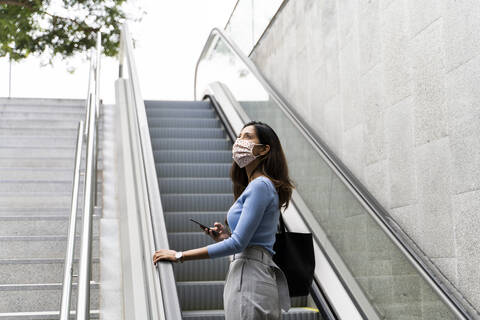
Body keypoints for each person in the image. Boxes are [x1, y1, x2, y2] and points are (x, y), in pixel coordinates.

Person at [152, 120, 296, 319]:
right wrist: (224, 238)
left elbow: (238, 243)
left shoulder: (260, 185)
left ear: (263, 150)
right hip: (253, 273)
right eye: (239, 136)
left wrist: (179, 256)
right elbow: (246, 241)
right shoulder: (258, 186)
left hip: (250, 275)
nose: (239, 141)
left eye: (247, 137)